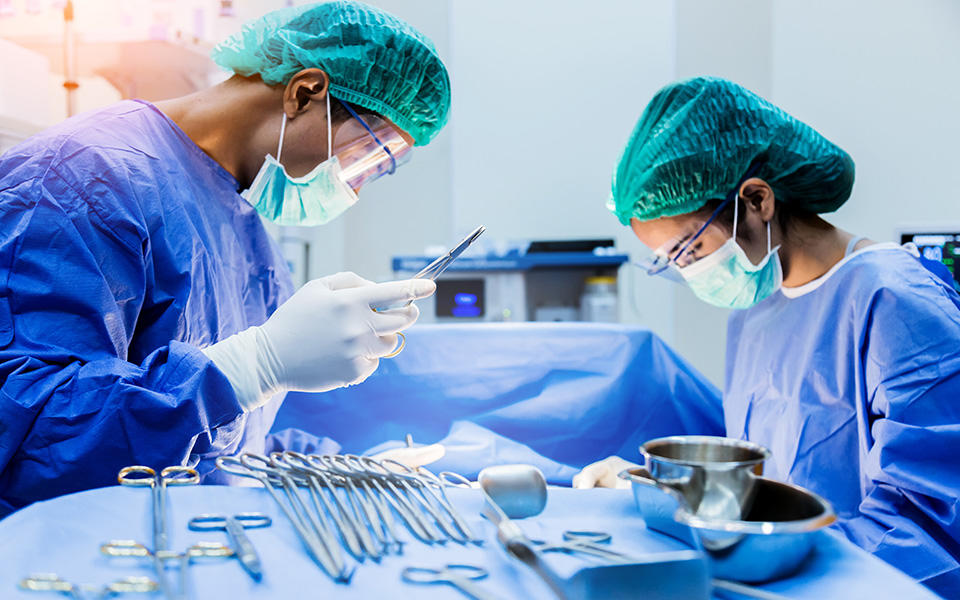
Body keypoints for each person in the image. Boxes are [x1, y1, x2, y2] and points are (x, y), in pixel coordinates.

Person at [0, 1, 450, 517]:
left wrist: (332, 472)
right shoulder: (78, 180)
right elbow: (30, 439)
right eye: (368, 155)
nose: (357, 184)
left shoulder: (239, 217)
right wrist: (254, 367)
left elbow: (224, 444)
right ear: (305, 92)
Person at [573, 77, 960, 596]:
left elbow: (928, 528)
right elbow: (765, 485)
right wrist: (665, 496)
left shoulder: (896, 301)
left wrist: (746, 549)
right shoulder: (756, 310)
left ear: (757, 200)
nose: (690, 272)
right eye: (670, 262)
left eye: (689, 249)